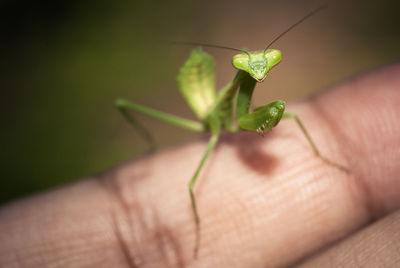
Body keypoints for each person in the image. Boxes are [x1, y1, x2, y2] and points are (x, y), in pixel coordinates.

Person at [1, 64, 399, 267]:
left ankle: (323, 157)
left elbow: (258, 116)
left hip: (230, 117)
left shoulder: (254, 90)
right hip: (205, 121)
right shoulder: (227, 104)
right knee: (190, 178)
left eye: (266, 67)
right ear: (244, 70)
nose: (260, 73)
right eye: (253, 69)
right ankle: (150, 142)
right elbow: (228, 129)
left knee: (289, 115)